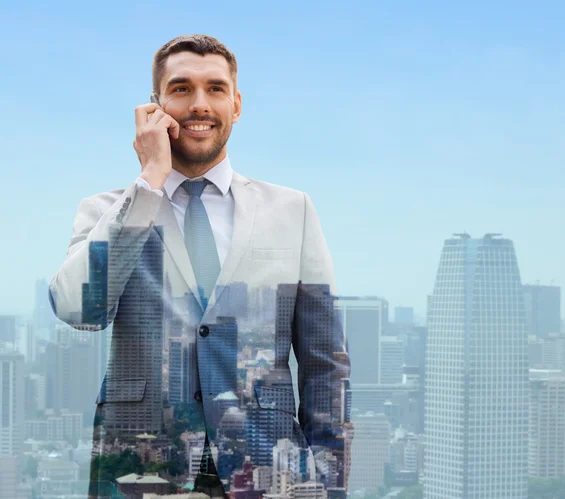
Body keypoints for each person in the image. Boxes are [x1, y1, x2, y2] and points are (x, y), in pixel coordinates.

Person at [49, 34, 352, 498]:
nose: (199, 104)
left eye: (214, 89)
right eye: (181, 88)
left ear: (236, 103)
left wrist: (329, 485)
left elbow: (325, 363)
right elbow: (78, 311)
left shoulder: (294, 211)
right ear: (155, 107)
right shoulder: (106, 212)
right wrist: (149, 182)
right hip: (140, 471)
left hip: (270, 475)